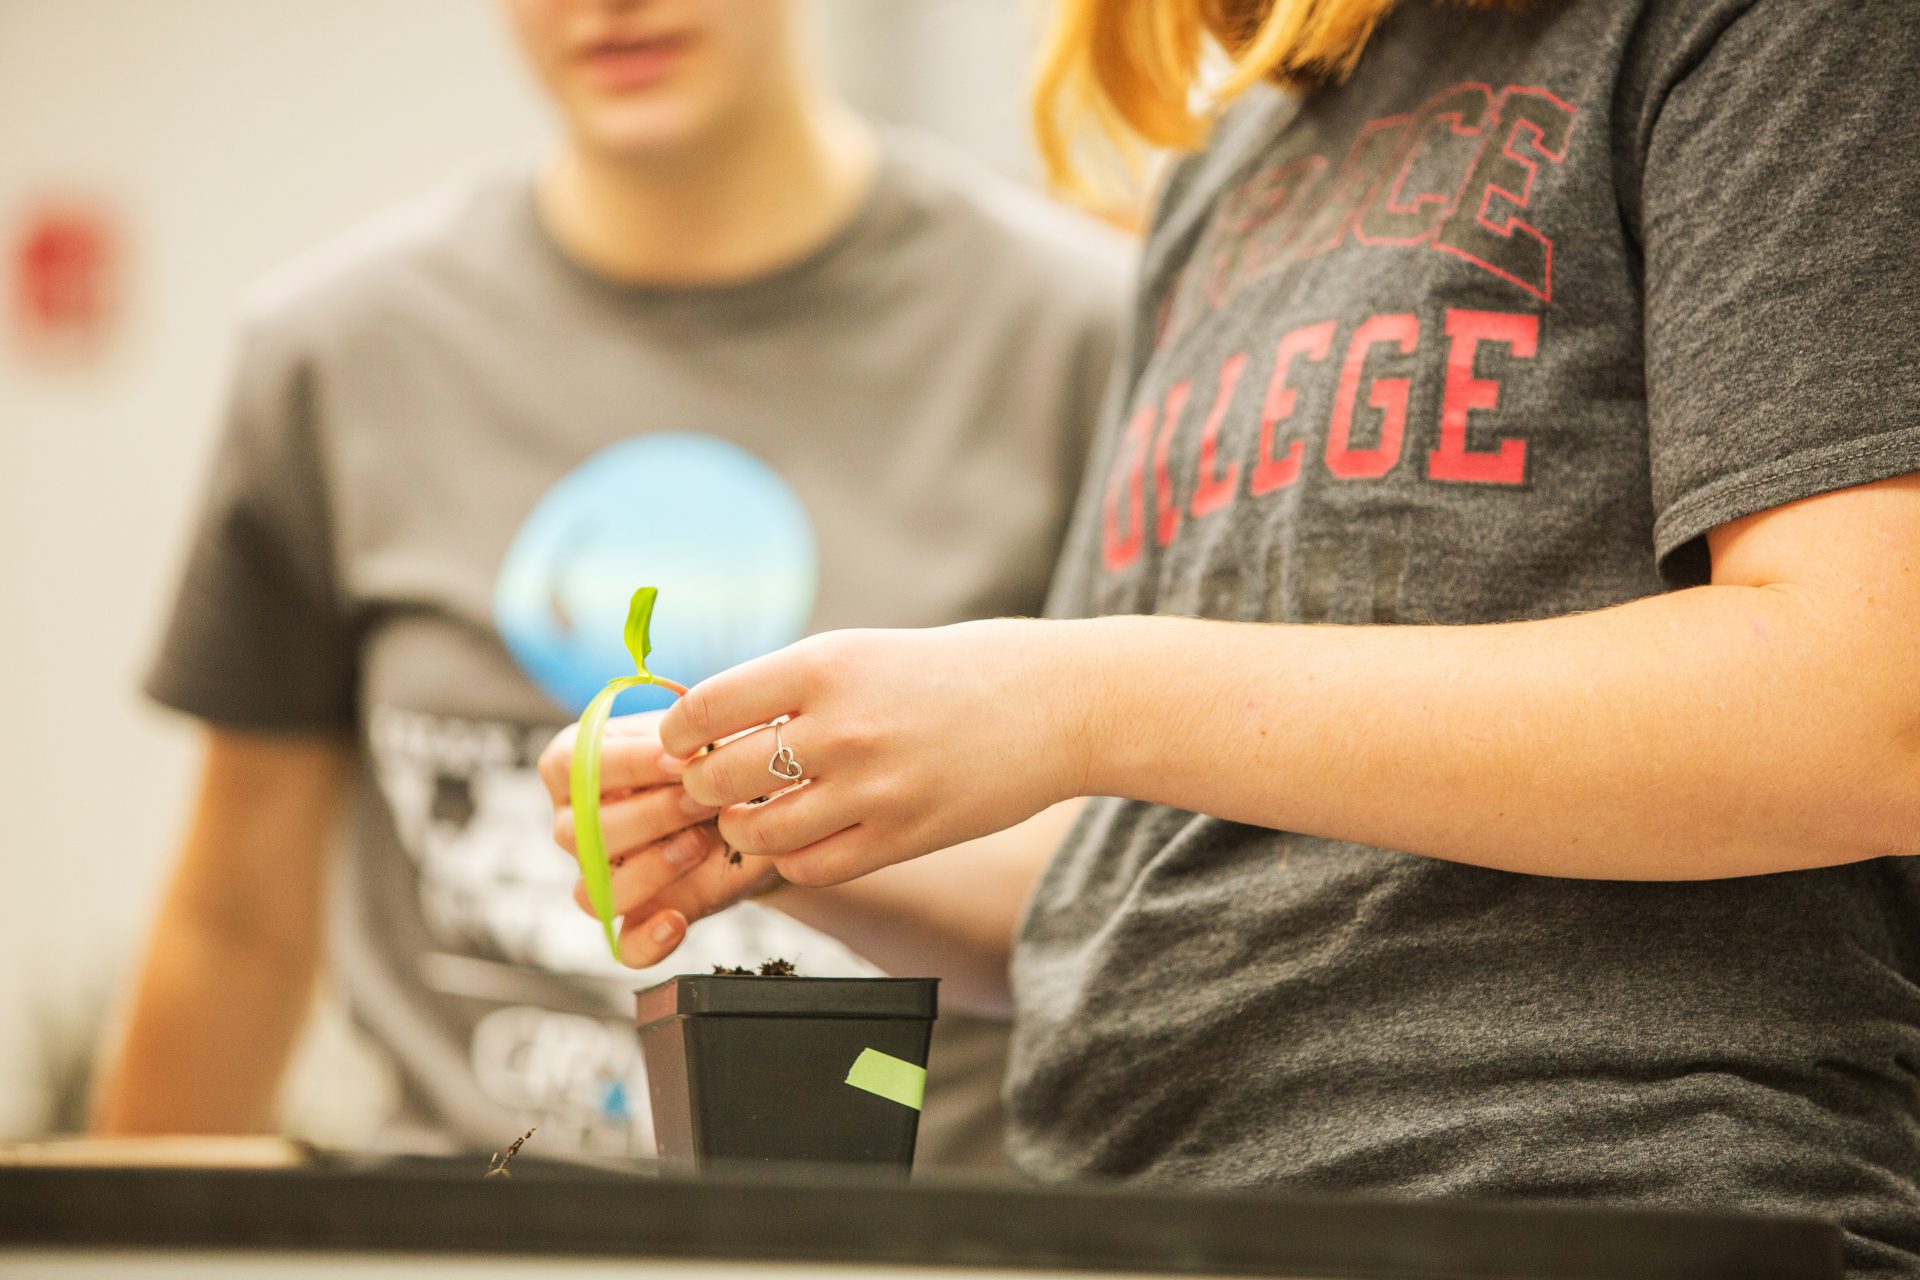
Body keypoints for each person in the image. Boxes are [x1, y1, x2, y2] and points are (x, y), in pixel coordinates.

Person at [542, 0, 1920, 1271]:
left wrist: (1076, 695)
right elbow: (1148, 876)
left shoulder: (1769, 34)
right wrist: (766, 819)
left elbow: (1870, 709)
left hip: (1574, 1206)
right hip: (1133, 1219)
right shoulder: (1233, 171)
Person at [94, 0, 1126, 1167]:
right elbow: (238, 918)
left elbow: (1169, 877)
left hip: (924, 1233)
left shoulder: (1090, 334)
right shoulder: (338, 356)